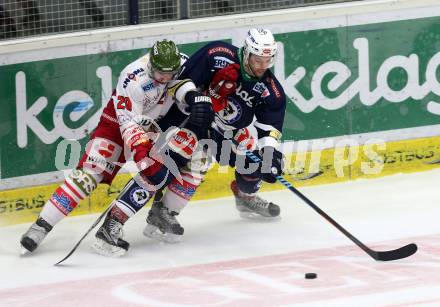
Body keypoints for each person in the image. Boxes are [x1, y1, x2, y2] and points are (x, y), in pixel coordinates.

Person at [94, 28, 287, 252]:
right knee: (162, 167)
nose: (262, 66)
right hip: (190, 118)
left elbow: (269, 127)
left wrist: (271, 154)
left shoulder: (271, 90)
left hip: (226, 131)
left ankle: (240, 197)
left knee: (250, 165)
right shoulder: (217, 54)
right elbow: (181, 80)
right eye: (257, 60)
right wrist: (197, 100)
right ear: (246, 52)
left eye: (267, 60)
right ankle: (113, 222)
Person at [19, 39, 215, 255]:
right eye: (160, 73)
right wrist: (143, 155)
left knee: (175, 168)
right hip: (117, 125)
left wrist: (194, 98)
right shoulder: (133, 77)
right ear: (151, 65)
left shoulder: (182, 66)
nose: (165, 78)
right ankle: (40, 227)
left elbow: (182, 87)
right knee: (88, 176)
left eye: (171, 73)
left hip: (156, 128)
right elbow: (129, 123)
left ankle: (143, 218)